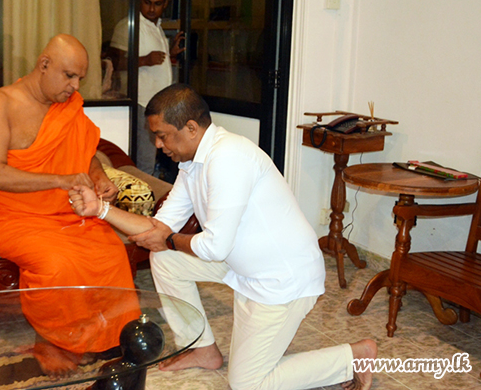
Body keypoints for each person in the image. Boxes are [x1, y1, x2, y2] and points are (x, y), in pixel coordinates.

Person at [69, 84, 378, 390]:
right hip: (242, 266)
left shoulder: (229, 158)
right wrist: (100, 209)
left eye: (162, 135)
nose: (158, 144)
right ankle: (202, 349)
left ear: (191, 128)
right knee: (164, 260)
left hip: (282, 280)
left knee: (247, 384)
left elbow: (212, 246)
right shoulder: (192, 164)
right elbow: (157, 228)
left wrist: (170, 240)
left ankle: (353, 357)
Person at [0, 34, 138, 363]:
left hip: (66, 213)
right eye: (69, 75)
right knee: (57, 264)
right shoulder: (1, 103)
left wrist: (98, 175)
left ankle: (101, 338)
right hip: (9, 216)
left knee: (111, 252)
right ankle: (54, 341)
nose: (75, 87)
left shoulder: (67, 108)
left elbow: (86, 154)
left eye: (80, 79)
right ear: (44, 64)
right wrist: (62, 180)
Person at [109, 0, 184, 175]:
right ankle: (143, 194)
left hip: (159, 105)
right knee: (145, 160)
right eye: (147, 2)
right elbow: (113, 63)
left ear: (165, 4)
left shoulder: (156, 26)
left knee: (153, 157)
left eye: (157, 4)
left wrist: (170, 53)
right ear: (139, 1)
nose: (151, 9)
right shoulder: (128, 26)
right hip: (141, 103)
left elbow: (155, 63)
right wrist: (144, 60)